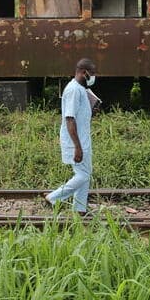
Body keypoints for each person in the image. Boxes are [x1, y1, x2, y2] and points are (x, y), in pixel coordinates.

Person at [45, 58, 97, 214]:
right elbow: (69, 118)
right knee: (83, 175)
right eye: (92, 73)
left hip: (83, 140)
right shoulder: (74, 90)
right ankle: (54, 197)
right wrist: (77, 147)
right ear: (83, 72)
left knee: (85, 174)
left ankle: (79, 209)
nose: (93, 77)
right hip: (76, 141)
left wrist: (92, 110)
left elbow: (79, 115)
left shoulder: (81, 89)